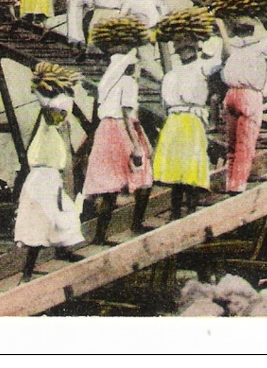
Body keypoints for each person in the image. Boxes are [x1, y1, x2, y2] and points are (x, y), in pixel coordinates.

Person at [15, 63, 85, 282]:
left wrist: (37, 93)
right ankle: (28, 270)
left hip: (49, 174)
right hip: (42, 175)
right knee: (42, 219)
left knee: (62, 213)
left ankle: (62, 250)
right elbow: (51, 113)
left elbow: (53, 113)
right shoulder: (54, 113)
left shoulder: (57, 109)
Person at [218, 0, 267, 193]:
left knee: (232, 145)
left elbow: (224, 55)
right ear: (252, 30)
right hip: (249, 96)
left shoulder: (231, 47)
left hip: (231, 95)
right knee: (246, 144)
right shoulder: (261, 47)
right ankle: (239, 185)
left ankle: (230, 182)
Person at [83, 43, 155, 244]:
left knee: (110, 186)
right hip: (122, 130)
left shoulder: (107, 82)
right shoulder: (128, 83)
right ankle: (137, 223)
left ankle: (100, 235)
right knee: (143, 174)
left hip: (105, 131)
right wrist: (136, 144)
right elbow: (126, 113)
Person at [153, 33, 222, 220]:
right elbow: (221, 59)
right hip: (187, 120)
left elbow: (165, 103)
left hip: (177, 121)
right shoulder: (196, 68)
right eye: (183, 50)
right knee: (188, 165)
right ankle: (184, 210)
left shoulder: (174, 74)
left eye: (187, 49)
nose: (185, 53)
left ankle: (181, 210)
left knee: (181, 167)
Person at [119, 0, 169, 81]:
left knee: (146, 60)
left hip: (142, 33)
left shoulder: (130, 0)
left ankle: (165, 80)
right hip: (154, 30)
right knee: (139, 55)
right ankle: (135, 77)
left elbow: (121, 17)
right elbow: (164, 11)